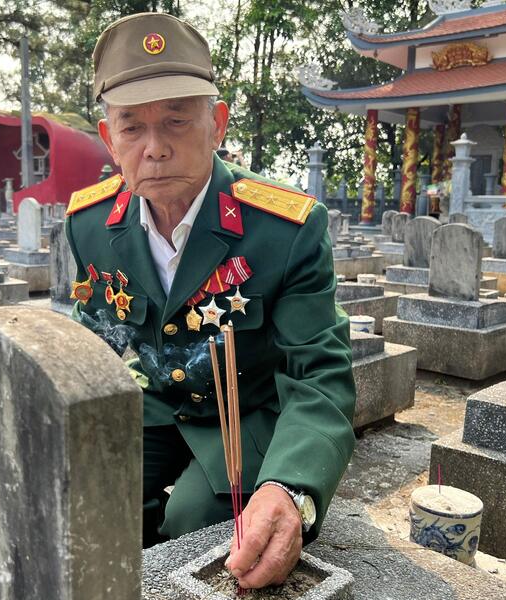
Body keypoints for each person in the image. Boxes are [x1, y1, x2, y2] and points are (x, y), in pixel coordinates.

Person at [65, 13, 355, 590]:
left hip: (243, 415)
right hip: (151, 408)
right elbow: (95, 347)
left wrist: (292, 488)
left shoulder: (281, 229)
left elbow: (320, 375)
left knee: (194, 525)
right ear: (108, 138)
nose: (155, 149)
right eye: (133, 128)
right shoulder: (91, 224)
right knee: (79, 494)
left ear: (217, 123)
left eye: (177, 120)